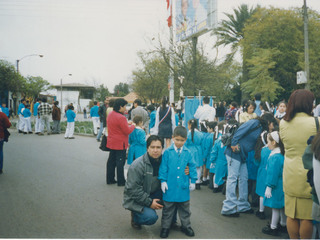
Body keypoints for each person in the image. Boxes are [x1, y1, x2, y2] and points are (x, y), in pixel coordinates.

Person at [279, 89, 319, 239]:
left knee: (291, 214)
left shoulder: (283, 122)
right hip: (309, 173)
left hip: (289, 172)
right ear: (309, 103)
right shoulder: (317, 122)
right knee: (307, 217)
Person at [221, 113, 276, 217]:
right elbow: (240, 131)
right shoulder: (254, 123)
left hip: (242, 154)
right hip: (234, 152)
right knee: (232, 179)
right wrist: (233, 144)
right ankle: (228, 208)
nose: (272, 126)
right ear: (269, 122)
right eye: (272, 124)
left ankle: (242, 205)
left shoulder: (260, 129)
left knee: (243, 178)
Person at [158, 126, 197, 238]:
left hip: (183, 186)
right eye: (177, 139)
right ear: (173, 138)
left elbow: (192, 166)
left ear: (186, 140)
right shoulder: (167, 152)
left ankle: (186, 226)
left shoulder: (188, 153)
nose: (179, 142)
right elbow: (163, 168)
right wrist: (163, 181)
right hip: (170, 186)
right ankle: (165, 227)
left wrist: (193, 180)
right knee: (167, 209)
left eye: (182, 140)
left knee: (185, 209)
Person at [262, 131, 286, 236]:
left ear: (274, 142)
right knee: (281, 207)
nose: (267, 144)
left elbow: (272, 174)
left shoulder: (274, 157)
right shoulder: (281, 153)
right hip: (282, 184)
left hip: (275, 185)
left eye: (268, 142)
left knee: (275, 207)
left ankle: (273, 227)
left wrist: (269, 186)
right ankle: (283, 224)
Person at [106, 98, 135, 186]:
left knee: (111, 161)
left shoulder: (111, 114)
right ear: (120, 107)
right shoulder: (121, 117)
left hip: (112, 141)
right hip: (120, 143)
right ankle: (121, 181)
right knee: (120, 162)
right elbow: (127, 131)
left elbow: (118, 126)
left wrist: (127, 124)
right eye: (125, 106)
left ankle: (110, 179)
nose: (126, 108)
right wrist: (133, 126)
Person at [254, 131, 271, 220]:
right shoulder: (274, 150)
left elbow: (256, 163)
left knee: (262, 193)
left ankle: (261, 211)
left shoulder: (262, 150)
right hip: (270, 172)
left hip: (261, 172)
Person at [185, 119, 203, 190]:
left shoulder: (187, 134)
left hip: (190, 151)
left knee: (190, 167)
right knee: (198, 167)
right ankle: (198, 182)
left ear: (189, 125)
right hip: (198, 151)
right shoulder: (200, 134)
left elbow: (185, 144)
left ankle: (191, 182)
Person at [210, 121, 227, 193]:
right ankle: (224, 189)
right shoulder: (229, 140)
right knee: (226, 175)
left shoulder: (218, 140)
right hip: (227, 160)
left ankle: (215, 187)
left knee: (217, 175)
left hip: (219, 161)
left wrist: (212, 160)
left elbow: (214, 152)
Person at [201, 121, 217, 186]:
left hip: (209, 155)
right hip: (215, 154)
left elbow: (207, 148)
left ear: (211, 129)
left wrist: (204, 156)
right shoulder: (216, 135)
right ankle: (209, 180)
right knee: (212, 168)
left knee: (206, 167)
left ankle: (204, 179)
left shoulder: (208, 136)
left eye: (208, 128)